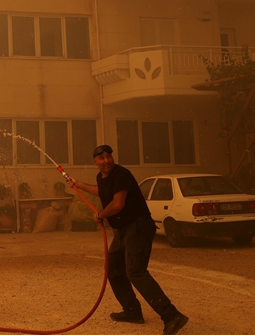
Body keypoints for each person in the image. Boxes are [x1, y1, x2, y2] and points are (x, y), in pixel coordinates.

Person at [66, 144, 189, 335]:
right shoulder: (103, 177)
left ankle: (172, 316)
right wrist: (78, 184)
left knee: (135, 272)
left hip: (138, 226)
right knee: (115, 270)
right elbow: (101, 191)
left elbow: (117, 204)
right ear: (95, 161)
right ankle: (132, 311)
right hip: (123, 230)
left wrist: (100, 215)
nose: (106, 160)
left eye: (109, 156)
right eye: (102, 158)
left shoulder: (121, 174)